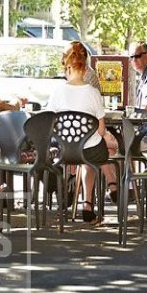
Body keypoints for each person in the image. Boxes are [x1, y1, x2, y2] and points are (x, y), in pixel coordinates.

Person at [47, 41, 118, 222]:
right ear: (86, 68)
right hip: (90, 151)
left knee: (91, 149)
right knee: (101, 148)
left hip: (65, 151)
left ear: (66, 66)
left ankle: (86, 198)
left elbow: (50, 122)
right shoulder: (93, 92)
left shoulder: (56, 91)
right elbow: (101, 130)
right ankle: (90, 202)